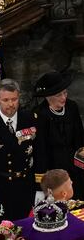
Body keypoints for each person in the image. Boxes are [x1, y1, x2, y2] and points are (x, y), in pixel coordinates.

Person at [0, 79, 44, 220]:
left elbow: (41, 154)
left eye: (14, 99)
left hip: (26, 185)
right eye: (5, 100)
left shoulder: (32, 119)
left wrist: (39, 188)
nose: (11, 104)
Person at [34, 71, 84, 199]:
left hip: (75, 167)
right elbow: (40, 150)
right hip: (54, 171)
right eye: (58, 95)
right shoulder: (39, 114)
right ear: (48, 97)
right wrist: (40, 185)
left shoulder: (72, 107)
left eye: (65, 93)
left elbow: (80, 139)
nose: (63, 97)